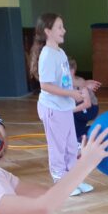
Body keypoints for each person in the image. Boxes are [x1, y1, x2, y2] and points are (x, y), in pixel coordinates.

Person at [29, 13, 92, 196]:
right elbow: (46, 85)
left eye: (63, 27)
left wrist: (77, 90)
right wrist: (71, 94)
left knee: (71, 146)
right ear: (47, 31)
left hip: (64, 107)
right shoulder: (47, 55)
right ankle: (61, 183)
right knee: (58, 148)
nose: (64, 30)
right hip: (53, 109)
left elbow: (64, 81)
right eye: (59, 27)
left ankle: (73, 180)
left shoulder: (60, 53)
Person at [68, 57, 101, 146]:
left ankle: (94, 131)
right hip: (80, 109)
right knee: (75, 130)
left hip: (90, 109)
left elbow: (87, 104)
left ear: (72, 71)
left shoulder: (80, 82)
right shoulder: (65, 82)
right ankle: (81, 134)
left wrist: (69, 111)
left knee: (71, 113)